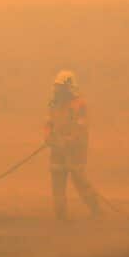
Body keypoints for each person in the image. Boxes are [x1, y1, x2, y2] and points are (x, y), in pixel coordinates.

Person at [45, 70, 101, 220]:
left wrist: (68, 140)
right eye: (56, 87)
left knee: (80, 182)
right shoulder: (54, 103)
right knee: (57, 185)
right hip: (57, 151)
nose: (57, 91)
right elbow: (49, 123)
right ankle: (61, 217)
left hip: (75, 152)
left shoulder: (79, 104)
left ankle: (97, 211)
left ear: (68, 88)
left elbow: (81, 127)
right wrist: (48, 137)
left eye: (60, 88)